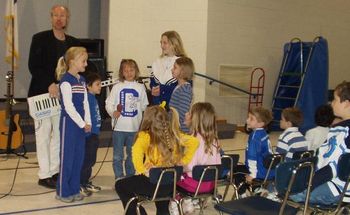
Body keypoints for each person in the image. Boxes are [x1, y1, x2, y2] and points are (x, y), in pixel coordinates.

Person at [28, 5, 80, 189]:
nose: (59, 18)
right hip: (42, 94)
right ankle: (44, 174)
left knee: (59, 135)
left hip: (64, 96)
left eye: (63, 15)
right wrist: (49, 84)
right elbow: (34, 66)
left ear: (67, 18)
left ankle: (55, 170)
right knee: (43, 135)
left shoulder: (73, 42)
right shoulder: (40, 38)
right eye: (56, 15)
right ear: (51, 18)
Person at [115, 106, 199, 215]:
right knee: (162, 201)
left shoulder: (144, 136)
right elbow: (194, 142)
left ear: (147, 119)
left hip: (152, 183)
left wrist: (144, 171)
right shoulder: (173, 134)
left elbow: (136, 160)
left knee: (120, 185)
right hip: (170, 185)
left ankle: (138, 213)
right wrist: (182, 161)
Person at [290, 81, 350, 205]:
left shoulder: (342, 132)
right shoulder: (339, 128)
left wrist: (309, 184)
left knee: (288, 191)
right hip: (340, 186)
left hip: (337, 189)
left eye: (334, 99)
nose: (331, 103)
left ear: (346, 104)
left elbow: (335, 167)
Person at [170, 102, 221, 215]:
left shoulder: (194, 140)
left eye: (190, 112)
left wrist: (177, 163)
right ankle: (189, 202)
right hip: (210, 185)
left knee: (171, 178)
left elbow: (189, 167)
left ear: (195, 119)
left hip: (194, 185)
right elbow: (218, 164)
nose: (187, 113)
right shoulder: (215, 139)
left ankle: (178, 206)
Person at [55, 47, 91, 203]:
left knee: (78, 158)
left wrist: (88, 121)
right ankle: (63, 191)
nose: (86, 64)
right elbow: (68, 107)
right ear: (72, 62)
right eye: (83, 61)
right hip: (69, 124)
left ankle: (75, 189)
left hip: (81, 125)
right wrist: (82, 123)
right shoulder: (65, 81)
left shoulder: (81, 80)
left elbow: (85, 103)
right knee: (67, 159)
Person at [105, 59, 149, 180]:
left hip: (134, 129)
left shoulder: (140, 88)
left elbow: (144, 107)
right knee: (118, 156)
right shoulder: (117, 87)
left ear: (136, 71)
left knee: (132, 155)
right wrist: (113, 112)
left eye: (132, 70)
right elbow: (108, 103)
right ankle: (119, 177)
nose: (129, 73)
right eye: (126, 70)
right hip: (119, 128)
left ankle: (130, 178)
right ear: (122, 72)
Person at [234, 107, 274, 196]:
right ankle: (258, 190)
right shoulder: (263, 133)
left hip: (259, 171)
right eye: (248, 117)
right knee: (242, 169)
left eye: (251, 119)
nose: (247, 120)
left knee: (235, 171)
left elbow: (252, 157)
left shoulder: (254, 137)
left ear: (260, 124)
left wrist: (253, 175)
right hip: (268, 170)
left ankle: (243, 194)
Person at [80, 72, 102, 197]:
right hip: (89, 135)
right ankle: (80, 183)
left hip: (95, 134)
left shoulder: (93, 98)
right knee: (86, 160)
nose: (100, 86)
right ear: (88, 86)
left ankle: (85, 181)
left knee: (91, 160)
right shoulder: (87, 98)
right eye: (97, 84)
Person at [150, 31, 187, 107]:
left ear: (174, 44)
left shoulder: (184, 63)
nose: (162, 46)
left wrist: (163, 89)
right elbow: (153, 83)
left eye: (165, 43)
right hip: (158, 106)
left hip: (175, 107)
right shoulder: (157, 62)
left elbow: (185, 88)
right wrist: (153, 90)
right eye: (161, 43)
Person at [169, 57, 194, 133]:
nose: (172, 69)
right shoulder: (179, 86)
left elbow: (183, 113)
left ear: (183, 72)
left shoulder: (185, 89)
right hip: (175, 128)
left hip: (181, 130)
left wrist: (179, 131)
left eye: (175, 68)